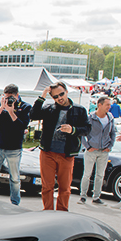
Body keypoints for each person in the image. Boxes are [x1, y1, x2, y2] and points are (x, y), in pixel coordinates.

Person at [30, 81, 90, 211]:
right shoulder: (49, 108)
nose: (59, 98)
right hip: (48, 152)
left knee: (65, 187)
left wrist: (72, 130)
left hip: (67, 153)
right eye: (55, 96)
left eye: (61, 94)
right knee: (47, 186)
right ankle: (48, 211)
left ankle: (62, 212)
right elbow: (33, 115)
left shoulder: (79, 110)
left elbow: (87, 129)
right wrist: (43, 95)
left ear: (67, 91)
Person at [0, 84, 32, 205]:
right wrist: (1, 108)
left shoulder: (25, 107)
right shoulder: (1, 105)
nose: (9, 100)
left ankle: (15, 202)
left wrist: (11, 112)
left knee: (15, 178)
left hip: (14, 148)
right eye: (6, 97)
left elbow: (22, 126)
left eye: (11, 98)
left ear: (17, 96)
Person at [78, 96, 116, 205]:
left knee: (100, 175)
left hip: (104, 151)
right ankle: (83, 196)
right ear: (100, 105)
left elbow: (113, 132)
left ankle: (96, 197)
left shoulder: (110, 117)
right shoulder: (90, 118)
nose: (109, 107)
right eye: (107, 105)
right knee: (87, 174)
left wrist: (110, 146)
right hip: (91, 150)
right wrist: (88, 147)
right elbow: (82, 134)